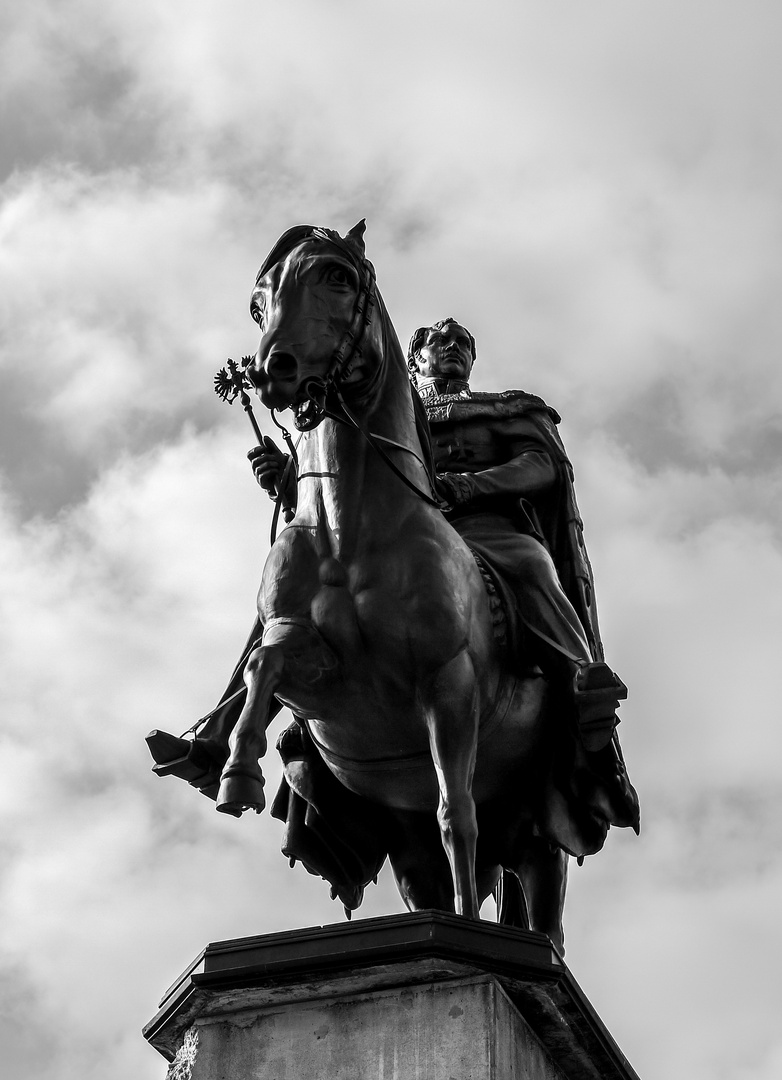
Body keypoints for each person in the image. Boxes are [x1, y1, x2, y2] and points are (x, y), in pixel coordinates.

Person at [405, 317, 639, 840]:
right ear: (415, 356)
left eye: (463, 343)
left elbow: (542, 466)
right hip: (405, 531)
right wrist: (286, 478)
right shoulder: (390, 414)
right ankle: (235, 722)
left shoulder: (504, 408)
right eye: (440, 342)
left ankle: (580, 682)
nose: (453, 349)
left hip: (487, 528)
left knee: (533, 567)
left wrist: (473, 486)